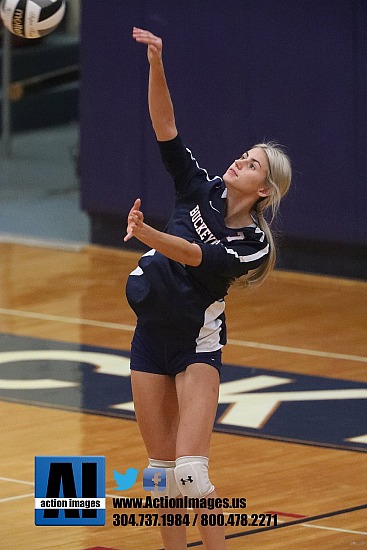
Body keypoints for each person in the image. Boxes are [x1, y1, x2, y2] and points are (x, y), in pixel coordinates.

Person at [125, 27, 292, 550]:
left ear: (262, 190)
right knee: (160, 473)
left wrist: (151, 235)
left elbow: (201, 257)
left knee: (192, 474)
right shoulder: (199, 186)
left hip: (196, 346)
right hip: (150, 335)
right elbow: (165, 125)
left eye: (253, 164)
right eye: (244, 154)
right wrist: (156, 64)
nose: (240, 161)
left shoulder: (254, 245)